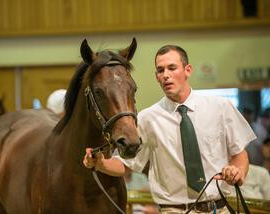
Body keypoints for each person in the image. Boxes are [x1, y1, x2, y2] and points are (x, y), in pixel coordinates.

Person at [83, 45, 256, 213]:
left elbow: (239, 155)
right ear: (156, 77)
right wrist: (100, 163)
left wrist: (237, 170)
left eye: (172, 68)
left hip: (220, 208)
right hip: (173, 210)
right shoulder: (147, 118)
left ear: (187, 70)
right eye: (160, 70)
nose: (166, 75)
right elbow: (126, 165)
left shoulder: (221, 107)